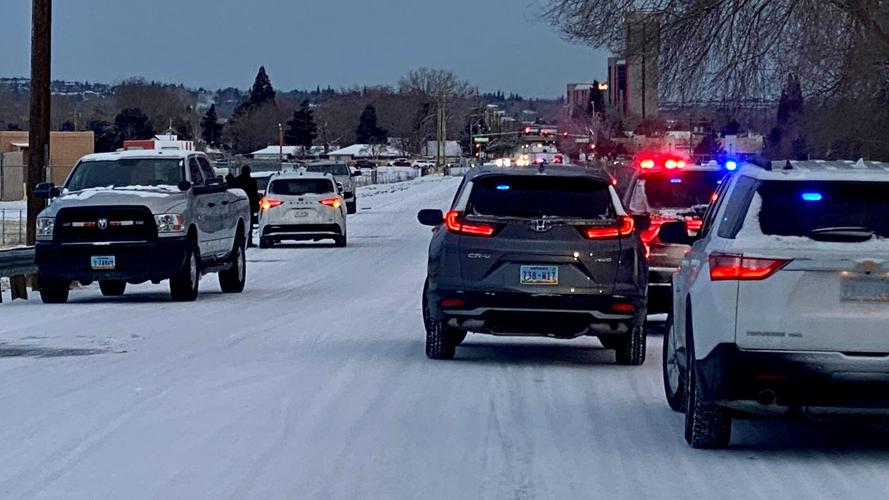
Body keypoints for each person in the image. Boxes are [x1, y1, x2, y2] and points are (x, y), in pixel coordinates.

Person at [235, 166, 260, 247]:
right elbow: (255, 195)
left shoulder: (237, 180)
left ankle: (241, 241)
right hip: (249, 205)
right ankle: (249, 241)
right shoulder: (251, 181)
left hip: (238, 205)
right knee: (249, 224)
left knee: (239, 224)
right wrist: (256, 207)